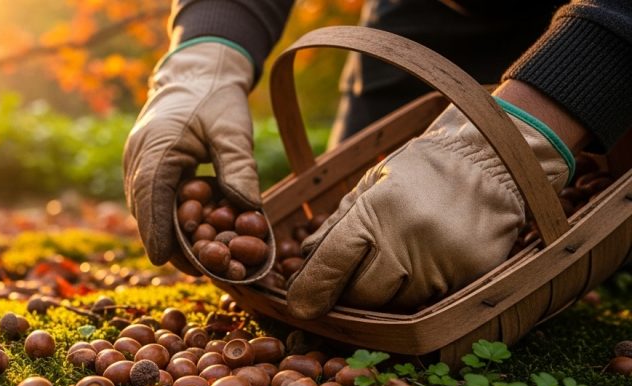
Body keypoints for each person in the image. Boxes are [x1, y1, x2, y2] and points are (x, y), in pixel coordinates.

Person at [124, 0, 632, 319]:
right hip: (429, 14)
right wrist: (207, 55)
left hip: (603, 27)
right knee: (363, 221)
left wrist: (518, 139)